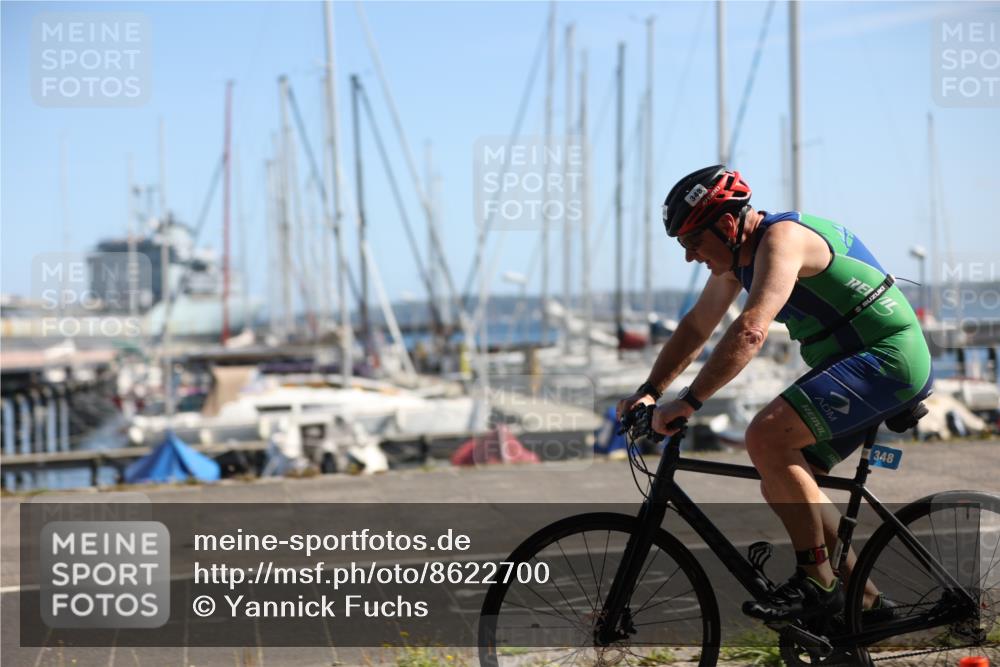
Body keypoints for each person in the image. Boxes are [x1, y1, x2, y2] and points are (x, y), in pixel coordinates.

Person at [616, 165, 932, 621]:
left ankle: (818, 582)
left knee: (766, 438)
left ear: (726, 225)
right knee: (783, 479)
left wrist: (688, 401)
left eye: (692, 244)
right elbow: (696, 327)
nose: (690, 257)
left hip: (889, 356)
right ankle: (865, 604)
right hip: (854, 361)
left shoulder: (782, 240)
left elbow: (749, 332)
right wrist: (649, 390)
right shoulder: (735, 259)